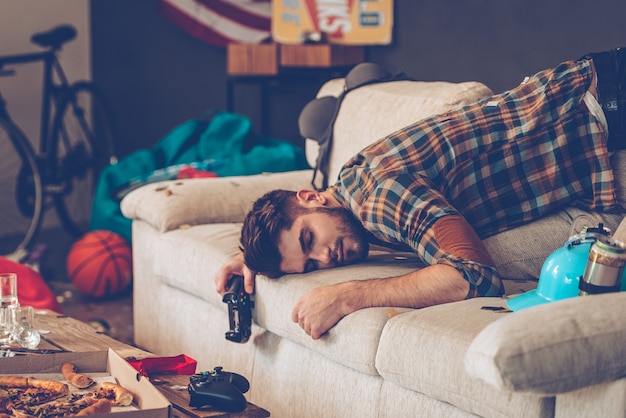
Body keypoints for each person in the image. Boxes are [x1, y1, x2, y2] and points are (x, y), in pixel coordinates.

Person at [215, 48, 626, 340]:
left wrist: (346, 296)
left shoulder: (378, 197)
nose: (324, 258)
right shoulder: (348, 182)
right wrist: (256, 257)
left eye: (308, 240)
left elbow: (474, 277)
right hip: (597, 121)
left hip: (606, 111)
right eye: (308, 264)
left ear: (311, 197)